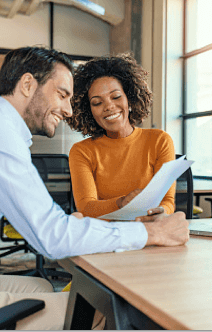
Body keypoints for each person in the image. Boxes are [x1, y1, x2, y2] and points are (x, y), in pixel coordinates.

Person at [0, 46, 189, 330]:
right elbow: (50, 237)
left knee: (42, 285)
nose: (67, 109)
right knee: (98, 308)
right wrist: (151, 232)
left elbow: (49, 225)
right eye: (62, 94)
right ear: (28, 84)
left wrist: (68, 224)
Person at [66, 53, 176, 219]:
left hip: (149, 229)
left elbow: (167, 201)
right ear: (89, 111)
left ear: (129, 100)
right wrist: (122, 203)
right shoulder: (81, 151)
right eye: (97, 102)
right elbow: (86, 207)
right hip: (105, 234)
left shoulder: (160, 140)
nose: (109, 106)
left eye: (116, 96)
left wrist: (161, 211)